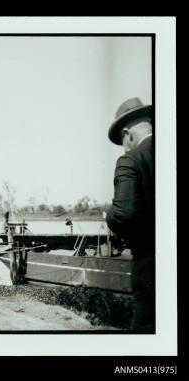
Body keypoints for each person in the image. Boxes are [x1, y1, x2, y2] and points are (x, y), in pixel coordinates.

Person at [105, 97, 154, 332]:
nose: (124, 147)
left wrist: (109, 217)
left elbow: (123, 215)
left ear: (129, 134)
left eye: (122, 142)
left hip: (151, 266)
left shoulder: (131, 160)